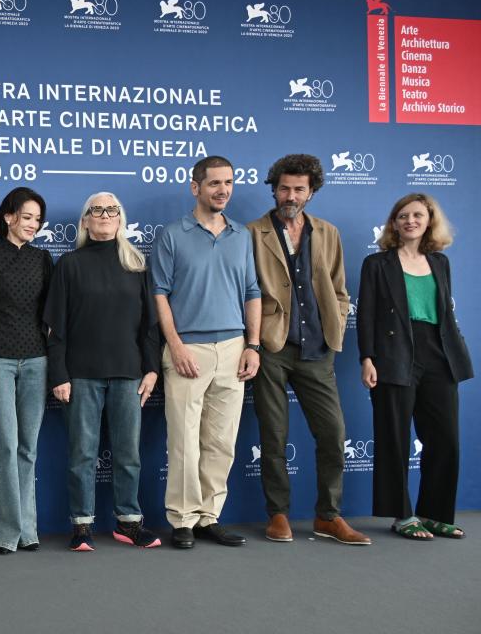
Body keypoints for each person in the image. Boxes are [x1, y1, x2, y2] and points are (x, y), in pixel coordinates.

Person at [247, 154, 370, 545]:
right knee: (274, 434)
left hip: (318, 348)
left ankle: (328, 516)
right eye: (284, 187)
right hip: (271, 346)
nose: (291, 195)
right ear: (274, 188)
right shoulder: (252, 232)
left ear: (311, 192)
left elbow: (338, 287)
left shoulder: (327, 232)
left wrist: (336, 319)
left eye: (299, 189)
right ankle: (278, 514)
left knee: (333, 434)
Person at [151, 155, 261, 550]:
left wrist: (253, 344)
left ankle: (209, 518)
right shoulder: (172, 234)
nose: (223, 190)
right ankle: (181, 519)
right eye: (214, 183)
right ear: (195, 187)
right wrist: (176, 345)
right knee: (183, 439)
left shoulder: (241, 235)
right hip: (188, 349)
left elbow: (252, 292)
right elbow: (159, 293)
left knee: (221, 441)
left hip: (233, 348)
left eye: (228, 182)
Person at [44, 192, 161, 552]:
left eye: (112, 210)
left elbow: (149, 327)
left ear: (120, 219)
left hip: (128, 373)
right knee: (82, 453)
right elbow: (55, 327)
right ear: (85, 220)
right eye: (97, 210)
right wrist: (59, 375)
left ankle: (129, 522)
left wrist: (153, 369)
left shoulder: (137, 264)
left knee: (128, 453)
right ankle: (82, 525)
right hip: (81, 375)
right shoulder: (69, 265)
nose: (105, 215)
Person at [358, 193, 472, 540]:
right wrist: (367, 358)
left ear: (429, 221)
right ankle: (402, 515)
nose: (410, 221)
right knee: (394, 438)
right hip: (394, 353)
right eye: (403, 215)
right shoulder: (377, 264)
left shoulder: (440, 262)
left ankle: (435, 514)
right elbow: (366, 316)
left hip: (439, 354)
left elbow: (445, 312)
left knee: (446, 440)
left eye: (418, 215)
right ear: (394, 223)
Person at [0, 187, 53, 554]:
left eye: (37, 219)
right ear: (8, 217)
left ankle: (28, 531)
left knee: (28, 449)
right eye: (27, 217)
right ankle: (6, 534)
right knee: (5, 446)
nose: (32, 225)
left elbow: (50, 318)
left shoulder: (43, 260)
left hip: (37, 361)